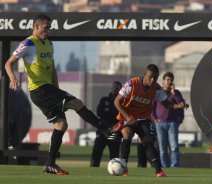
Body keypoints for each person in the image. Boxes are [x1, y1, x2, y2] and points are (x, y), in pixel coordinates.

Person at [5, 14, 108, 175]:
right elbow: (8, 63)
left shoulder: (49, 44)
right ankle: (106, 130)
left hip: (49, 89)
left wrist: (59, 91)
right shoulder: (28, 43)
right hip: (39, 90)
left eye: (49, 28)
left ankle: (50, 164)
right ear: (37, 27)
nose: (48, 31)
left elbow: (52, 70)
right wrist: (13, 78)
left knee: (61, 124)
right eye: (46, 28)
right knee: (77, 103)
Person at [113, 64, 188, 177]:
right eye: (150, 77)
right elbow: (117, 102)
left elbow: (166, 104)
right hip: (128, 117)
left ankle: (159, 171)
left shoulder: (157, 88)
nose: (152, 80)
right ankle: (124, 169)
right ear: (145, 75)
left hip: (143, 118)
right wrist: (128, 117)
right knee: (127, 135)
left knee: (148, 141)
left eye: (155, 78)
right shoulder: (131, 84)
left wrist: (177, 106)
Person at [152, 72, 185, 168]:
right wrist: (154, 119)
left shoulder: (176, 93)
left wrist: (174, 94)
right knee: (162, 148)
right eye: (167, 80)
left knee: (174, 146)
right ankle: (165, 166)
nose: (169, 82)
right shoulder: (158, 93)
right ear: (163, 81)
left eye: (171, 80)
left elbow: (181, 105)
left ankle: (174, 166)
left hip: (172, 123)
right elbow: (152, 107)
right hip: (160, 123)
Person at [90, 81, 122, 167]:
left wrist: (108, 111)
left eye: (117, 87)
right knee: (97, 151)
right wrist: (113, 113)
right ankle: (93, 168)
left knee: (114, 153)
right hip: (103, 130)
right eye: (114, 87)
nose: (115, 89)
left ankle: (115, 169)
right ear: (111, 88)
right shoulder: (105, 100)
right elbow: (99, 112)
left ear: (121, 89)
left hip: (114, 131)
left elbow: (120, 116)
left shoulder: (122, 102)